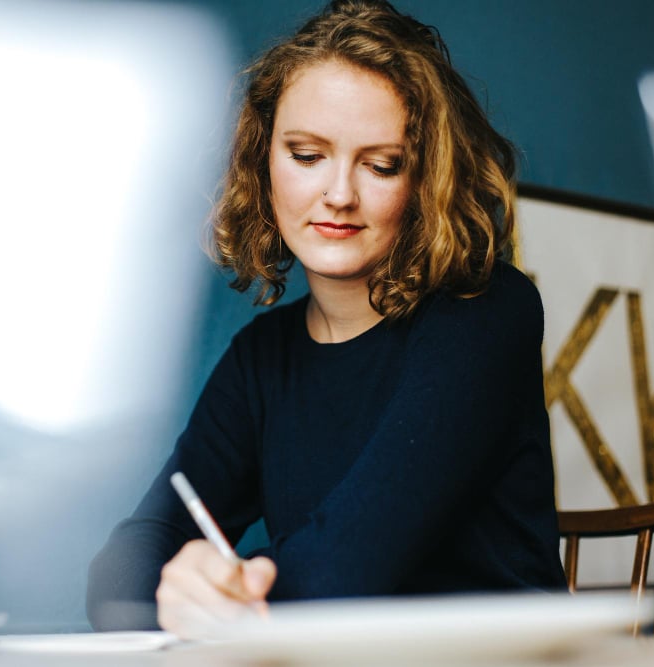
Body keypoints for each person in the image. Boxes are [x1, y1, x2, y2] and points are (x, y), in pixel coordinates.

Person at [86, 0, 567, 637]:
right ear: (264, 162)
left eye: (380, 164)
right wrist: (179, 588)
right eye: (307, 155)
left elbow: (347, 572)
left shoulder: (485, 313)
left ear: (426, 179)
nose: (338, 194)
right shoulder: (263, 359)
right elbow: (119, 572)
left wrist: (229, 593)